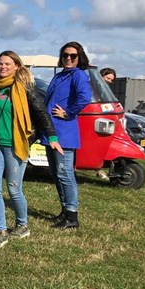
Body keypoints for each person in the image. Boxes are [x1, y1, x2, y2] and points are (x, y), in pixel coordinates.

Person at [0, 50, 62, 248]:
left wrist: (52, 137)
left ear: (17, 67)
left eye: (7, 64)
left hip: (15, 145)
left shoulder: (25, 88)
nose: (3, 67)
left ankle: (22, 224)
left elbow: (41, 113)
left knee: (14, 189)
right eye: (1, 64)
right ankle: (1, 230)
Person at [44, 42, 92, 229]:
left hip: (64, 132)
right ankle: (65, 209)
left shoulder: (78, 75)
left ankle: (72, 215)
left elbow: (84, 98)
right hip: (51, 131)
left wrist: (68, 113)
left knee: (65, 173)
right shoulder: (60, 76)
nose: (68, 58)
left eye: (73, 55)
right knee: (56, 173)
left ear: (80, 57)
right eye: (65, 55)